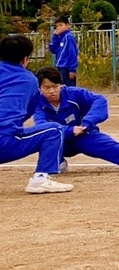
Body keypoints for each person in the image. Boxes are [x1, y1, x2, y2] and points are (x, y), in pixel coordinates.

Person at [0, 34, 71, 194]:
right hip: (3, 143)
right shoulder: (29, 80)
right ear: (25, 59)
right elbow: (28, 111)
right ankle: (40, 179)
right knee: (54, 130)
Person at [48, 15, 79, 86]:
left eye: (61, 25)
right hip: (60, 67)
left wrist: (72, 69)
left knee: (69, 89)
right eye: (57, 26)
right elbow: (53, 50)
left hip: (67, 68)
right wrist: (55, 37)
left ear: (67, 25)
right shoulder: (59, 38)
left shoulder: (69, 37)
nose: (59, 28)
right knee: (61, 88)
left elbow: (73, 53)